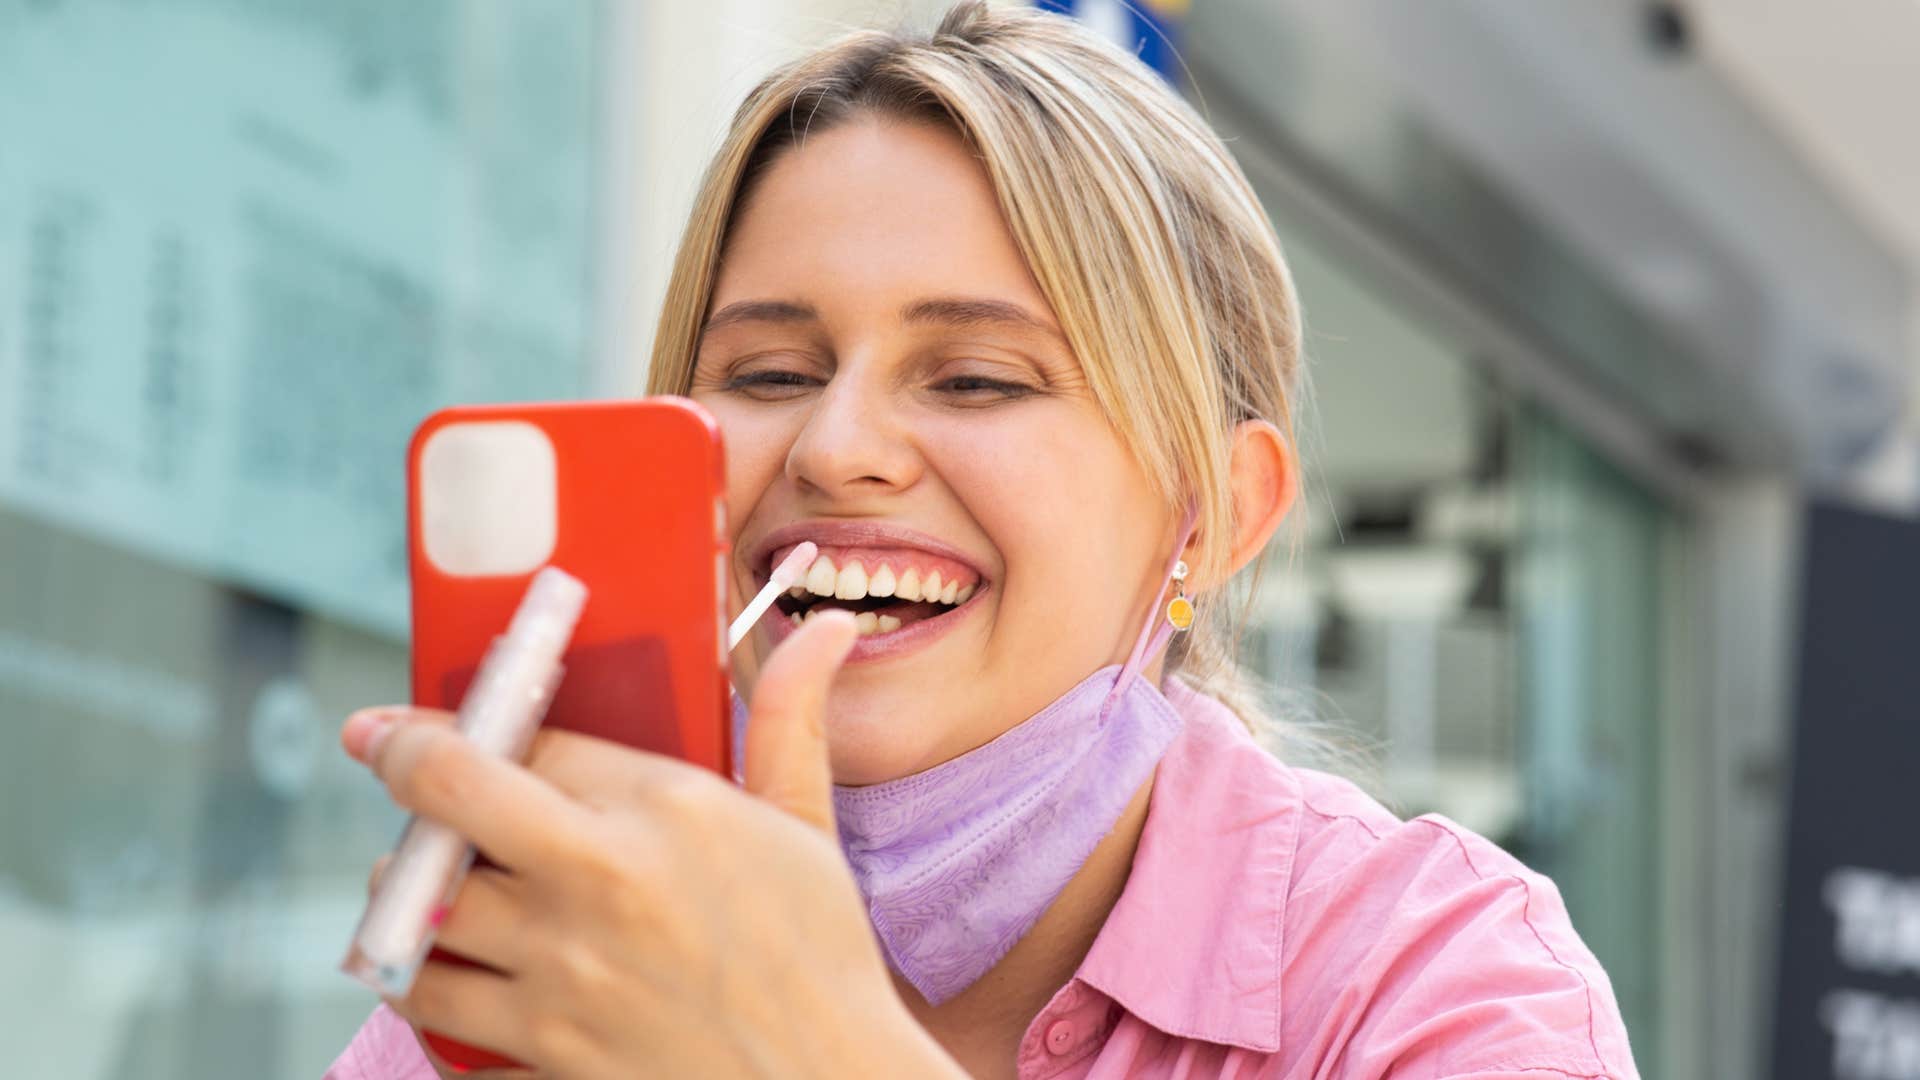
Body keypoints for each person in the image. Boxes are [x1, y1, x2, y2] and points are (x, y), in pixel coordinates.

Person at [327, 3, 1638, 1077]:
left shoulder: (1435, 980)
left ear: (1218, 510)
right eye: (773, 370)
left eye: (976, 379)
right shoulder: (562, 952)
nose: (835, 448)